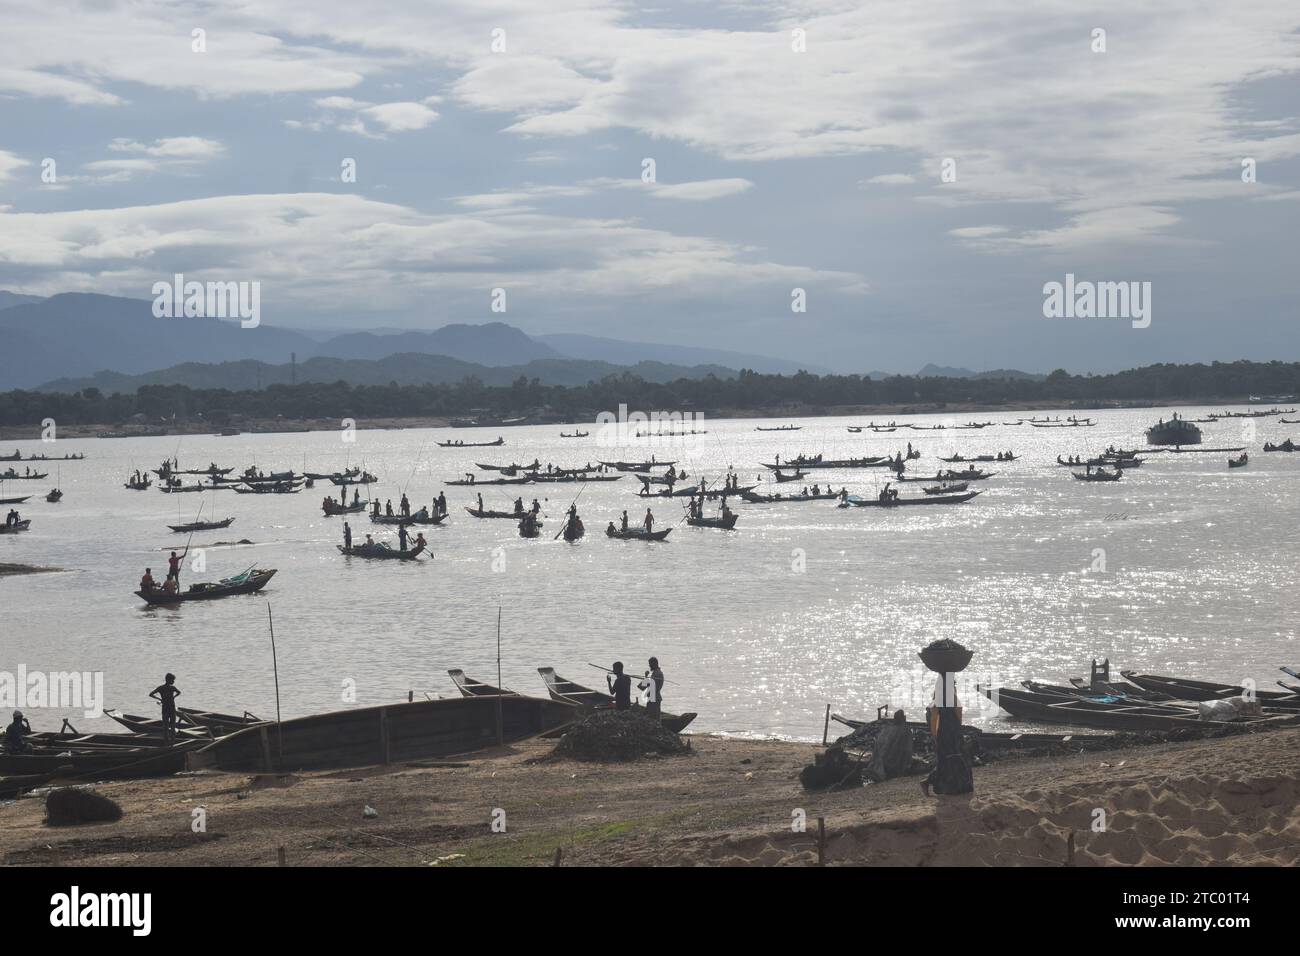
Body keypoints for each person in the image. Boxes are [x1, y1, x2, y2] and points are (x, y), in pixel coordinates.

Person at [150, 674, 182, 740]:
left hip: (165, 708)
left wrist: (159, 699)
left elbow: (151, 694)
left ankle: (166, 740)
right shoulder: (172, 688)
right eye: (173, 680)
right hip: (171, 708)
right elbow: (179, 692)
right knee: (173, 725)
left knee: (165, 725)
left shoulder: (161, 688)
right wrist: (174, 697)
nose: (173, 681)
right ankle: (173, 740)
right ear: (169, 680)